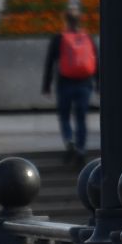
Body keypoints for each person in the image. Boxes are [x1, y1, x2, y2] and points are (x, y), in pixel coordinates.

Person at [41, 11, 96, 162]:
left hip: (64, 83)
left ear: (66, 21)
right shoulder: (87, 38)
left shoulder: (59, 39)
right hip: (85, 83)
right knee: (81, 118)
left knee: (64, 116)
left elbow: (50, 63)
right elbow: (96, 61)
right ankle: (81, 149)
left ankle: (69, 140)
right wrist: (98, 83)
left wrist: (46, 86)